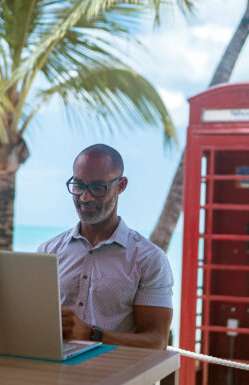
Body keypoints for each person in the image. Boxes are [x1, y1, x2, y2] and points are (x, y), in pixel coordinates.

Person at [37, 144, 173, 350]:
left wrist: (91, 334)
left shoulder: (149, 259)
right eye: (79, 185)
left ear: (121, 186)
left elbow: (157, 342)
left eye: (98, 187)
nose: (85, 197)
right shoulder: (48, 252)